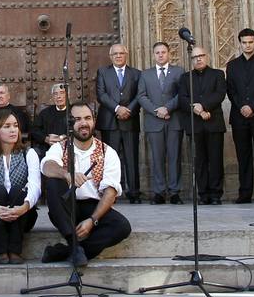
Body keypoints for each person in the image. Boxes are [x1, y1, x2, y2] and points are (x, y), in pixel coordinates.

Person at [40, 99, 132, 265]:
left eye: (87, 118)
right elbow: (47, 166)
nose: (83, 123)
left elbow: (110, 192)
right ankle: (73, 244)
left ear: (94, 121)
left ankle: (65, 251)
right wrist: (67, 174)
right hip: (67, 208)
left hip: (93, 207)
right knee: (54, 183)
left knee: (122, 227)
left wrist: (92, 220)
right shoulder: (60, 147)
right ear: (70, 124)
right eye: (77, 119)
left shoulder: (107, 152)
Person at [0, 109, 41, 262]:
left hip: (24, 215)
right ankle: (1, 250)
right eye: (7, 126)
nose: (13, 130)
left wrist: (24, 207)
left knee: (19, 190)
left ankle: (15, 250)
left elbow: (35, 185)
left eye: (15, 125)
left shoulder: (28, 154)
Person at [135, 42, 186, 204]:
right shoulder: (146, 74)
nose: (161, 55)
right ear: (153, 54)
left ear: (169, 53)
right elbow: (141, 96)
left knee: (174, 157)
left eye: (163, 52)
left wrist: (167, 108)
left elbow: (182, 94)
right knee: (156, 158)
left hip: (173, 121)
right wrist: (157, 110)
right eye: (157, 52)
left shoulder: (179, 72)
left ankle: (175, 192)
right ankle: (159, 192)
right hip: (154, 121)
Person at [227, 29, 254, 203]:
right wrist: (242, 106)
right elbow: (231, 90)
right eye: (244, 42)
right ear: (240, 43)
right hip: (239, 116)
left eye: (250, 42)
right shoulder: (232, 65)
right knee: (243, 156)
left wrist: (253, 106)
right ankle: (244, 193)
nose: (247, 45)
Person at [180, 46, 227, 204]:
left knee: (215, 160)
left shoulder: (218, 74)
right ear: (191, 60)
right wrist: (198, 111)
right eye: (194, 57)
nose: (198, 59)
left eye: (201, 56)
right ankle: (203, 194)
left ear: (206, 57)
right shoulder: (186, 78)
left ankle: (215, 194)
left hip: (214, 122)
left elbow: (220, 94)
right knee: (199, 161)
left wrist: (204, 106)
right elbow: (183, 98)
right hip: (195, 125)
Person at [95, 44, 142, 203]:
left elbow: (139, 95)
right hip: (110, 122)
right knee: (110, 160)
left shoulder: (136, 73)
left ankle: (134, 193)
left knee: (131, 158)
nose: (118, 56)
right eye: (115, 54)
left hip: (130, 120)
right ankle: (111, 193)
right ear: (110, 56)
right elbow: (101, 94)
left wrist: (128, 109)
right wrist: (117, 108)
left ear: (126, 54)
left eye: (121, 53)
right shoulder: (102, 72)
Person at [32, 82, 70, 157]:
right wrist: (46, 139)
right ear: (52, 97)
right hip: (47, 148)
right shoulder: (45, 113)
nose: (59, 96)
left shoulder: (74, 111)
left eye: (62, 93)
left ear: (68, 95)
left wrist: (63, 138)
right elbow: (35, 130)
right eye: (55, 94)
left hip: (69, 148)